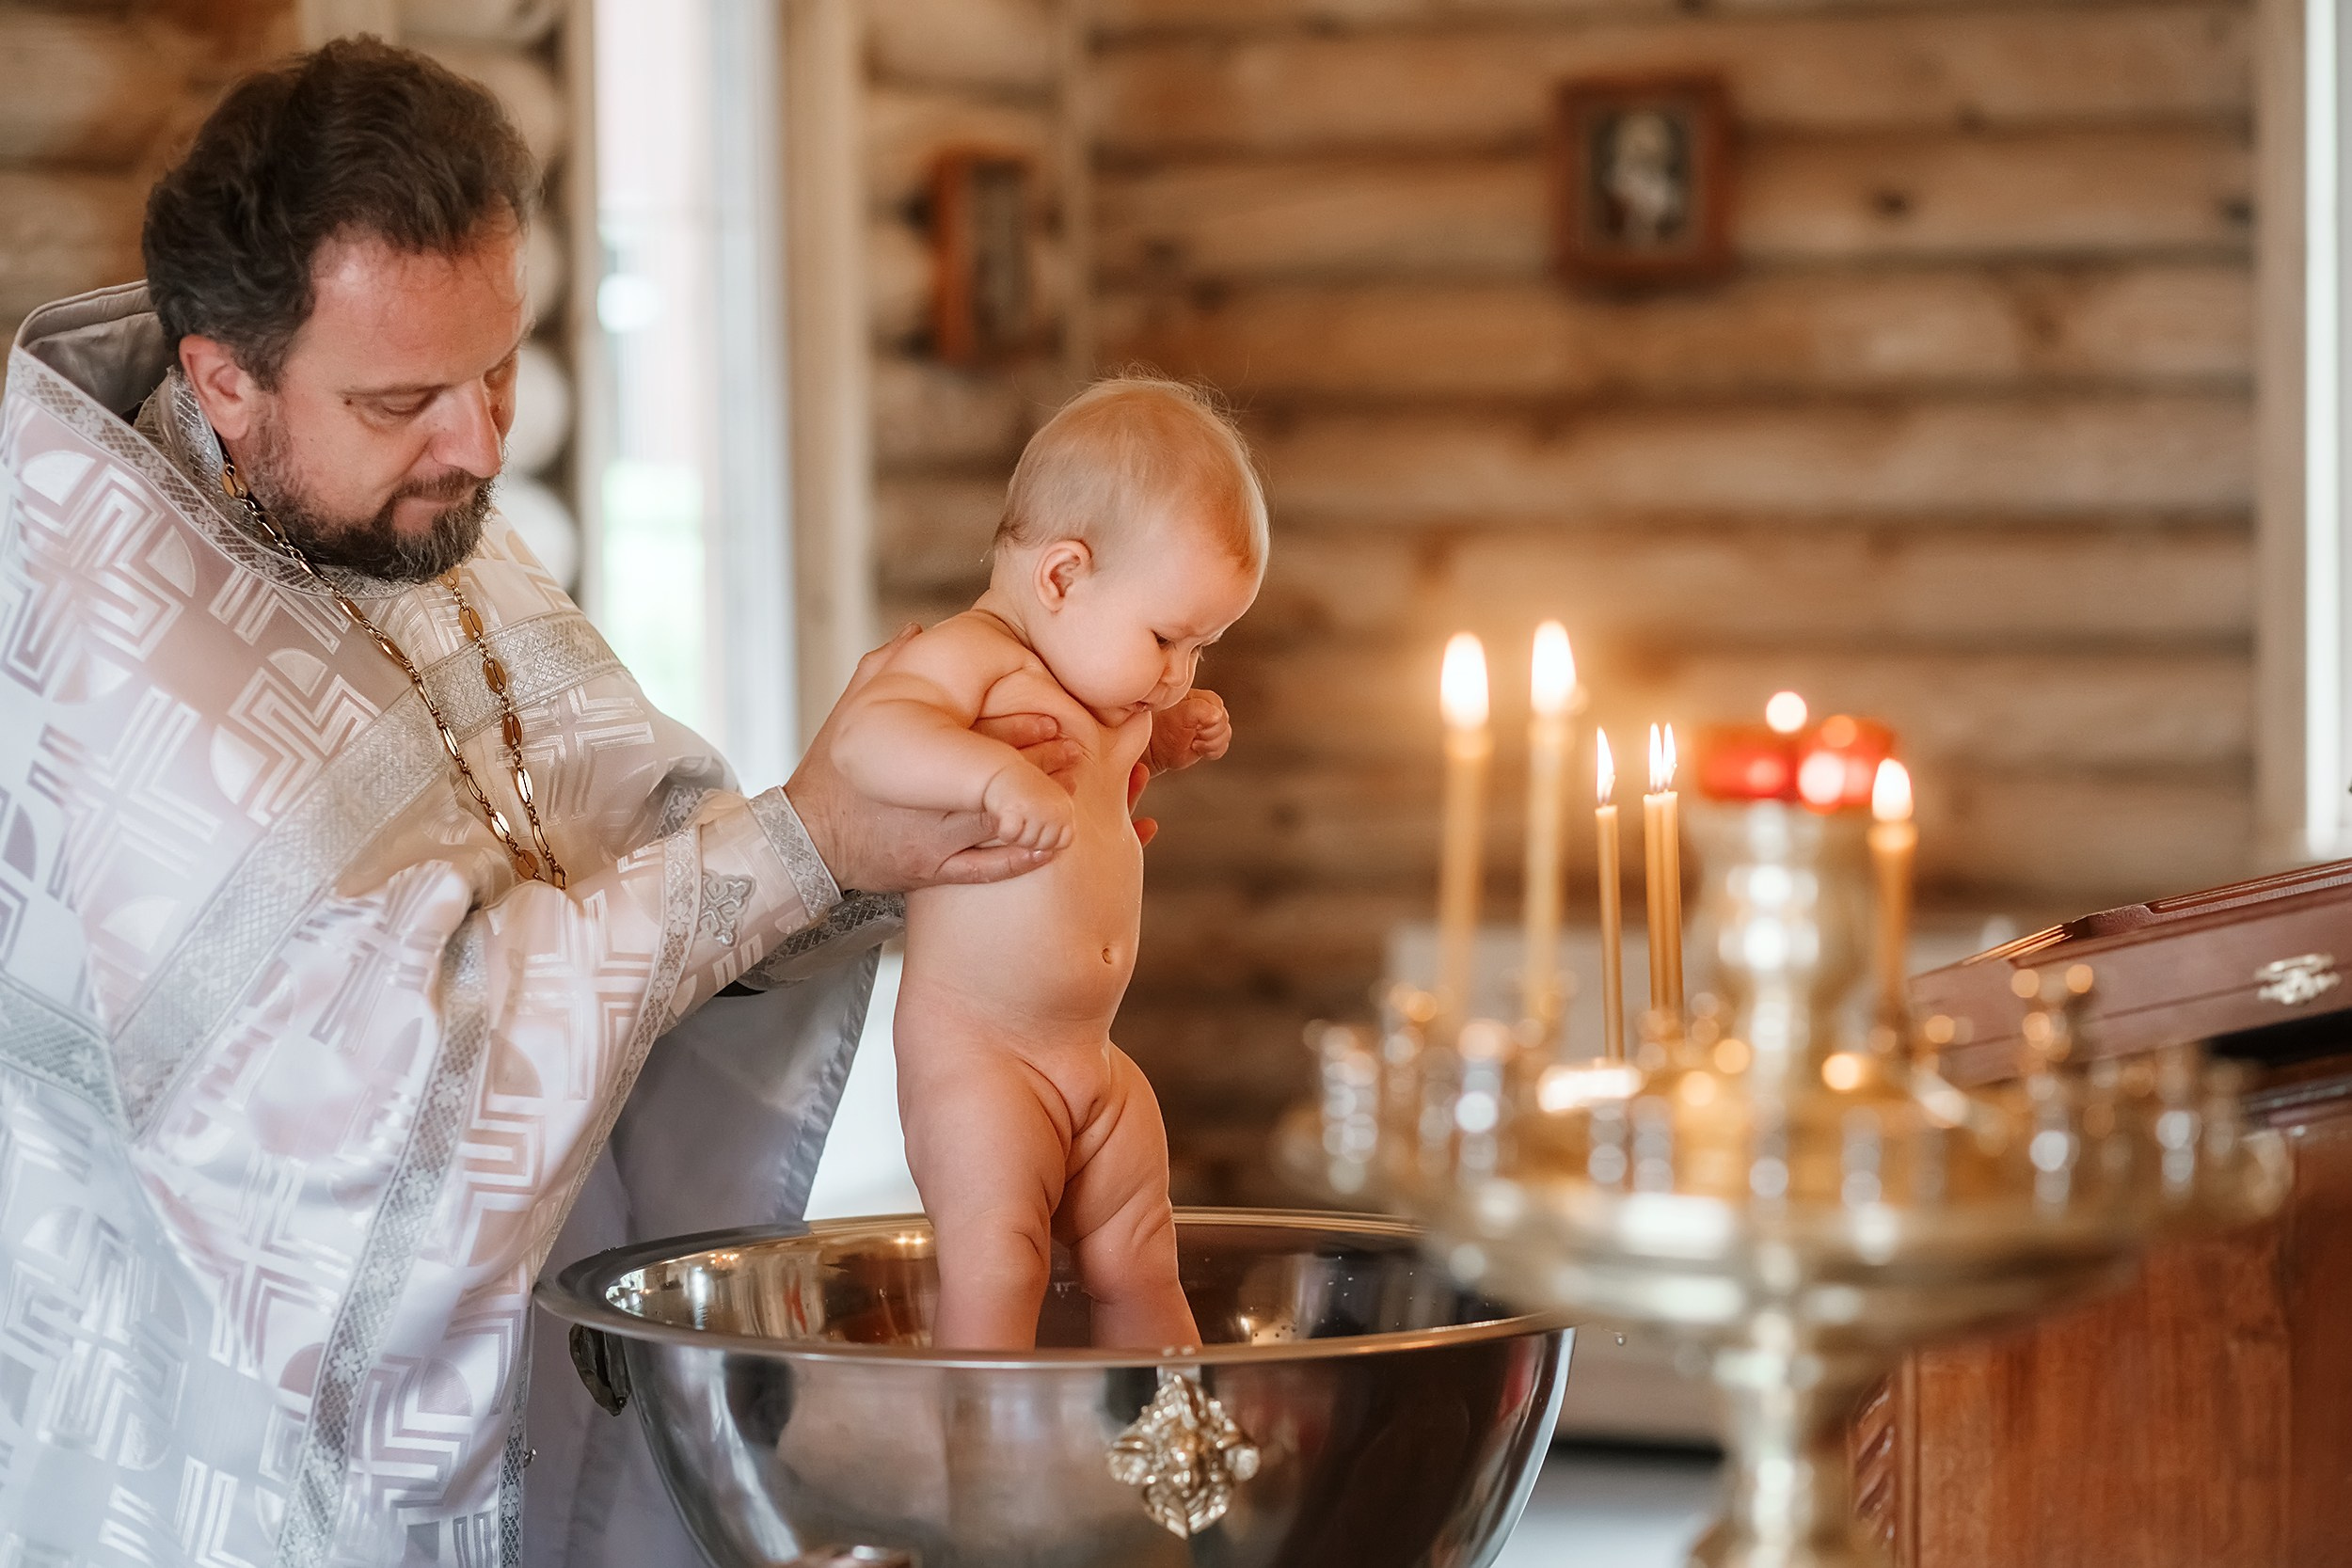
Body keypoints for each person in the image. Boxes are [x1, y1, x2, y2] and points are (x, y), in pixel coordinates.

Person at [0, 39, 1204, 1567]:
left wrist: (935, 840)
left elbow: (636, 845)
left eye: (501, 368)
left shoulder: (410, 509)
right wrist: (801, 844)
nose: (482, 443)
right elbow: (374, 1114)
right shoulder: (119, 668)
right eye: (407, 397)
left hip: (548, 1391)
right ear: (223, 378)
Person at [836, 378, 1260, 1351]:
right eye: (1167, 637)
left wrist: (1170, 741)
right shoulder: (970, 656)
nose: (1176, 671)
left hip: (1090, 1056)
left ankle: (1171, 1444)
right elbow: (869, 739)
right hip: (980, 1057)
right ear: (1063, 576)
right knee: (999, 1263)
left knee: (1142, 1253)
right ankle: (981, 1474)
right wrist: (988, 775)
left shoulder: (1100, 687)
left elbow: (1124, 758)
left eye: (1202, 646)